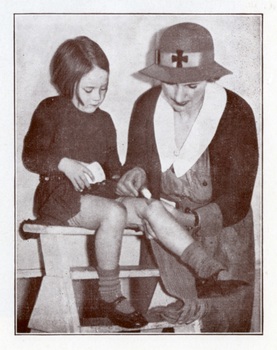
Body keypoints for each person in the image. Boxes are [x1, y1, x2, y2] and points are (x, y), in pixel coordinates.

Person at [116, 22, 259, 332]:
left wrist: (190, 220)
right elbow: (137, 162)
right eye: (170, 84)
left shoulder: (235, 112)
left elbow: (238, 197)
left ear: (209, 77)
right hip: (163, 240)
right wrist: (136, 173)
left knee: (218, 329)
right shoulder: (145, 106)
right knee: (156, 328)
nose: (179, 95)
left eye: (192, 85)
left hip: (222, 241)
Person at [22, 36, 148, 329]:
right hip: (56, 196)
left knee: (147, 207)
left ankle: (199, 261)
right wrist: (63, 163)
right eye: (89, 89)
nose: (97, 97)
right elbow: (31, 156)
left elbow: (113, 168)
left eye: (103, 89)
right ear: (68, 82)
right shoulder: (50, 109)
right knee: (114, 212)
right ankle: (110, 295)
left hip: (94, 198)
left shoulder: (104, 120)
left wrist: (123, 181)